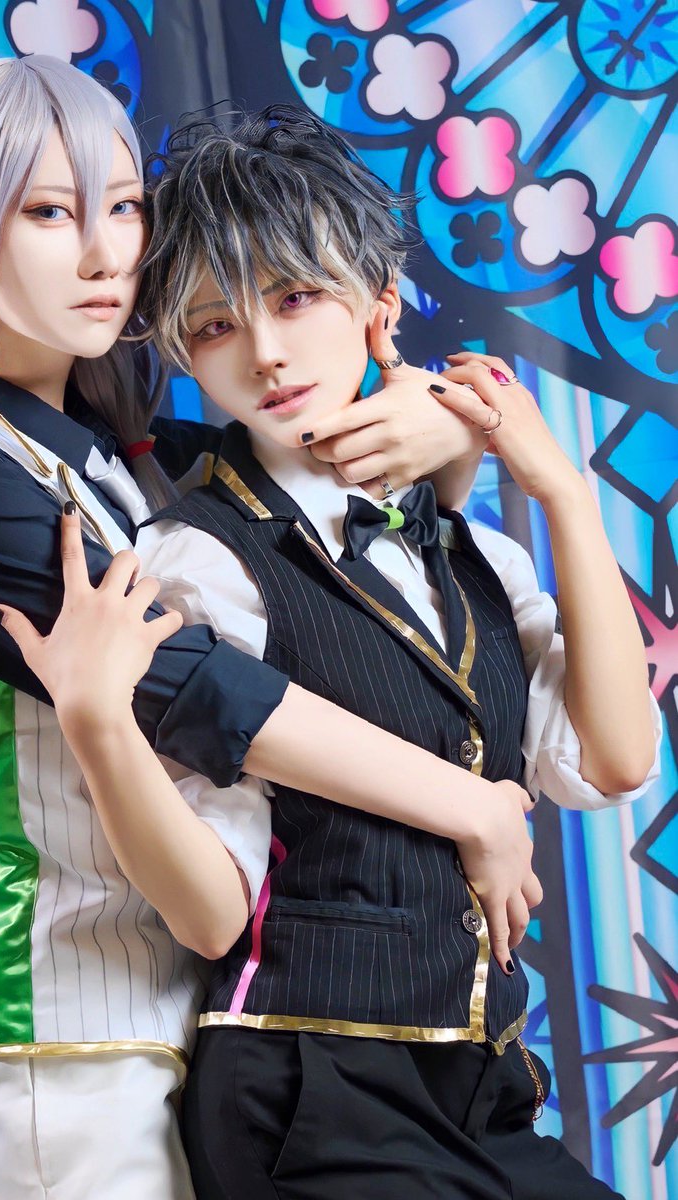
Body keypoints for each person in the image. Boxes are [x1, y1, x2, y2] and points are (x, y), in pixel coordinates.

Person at [0, 58, 543, 1199]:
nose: (103, 253)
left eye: (124, 207)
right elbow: (206, 694)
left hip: (188, 1018)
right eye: (49, 213)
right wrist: (471, 804)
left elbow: (306, 461)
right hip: (59, 1044)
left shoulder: (105, 452)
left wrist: (446, 422)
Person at [46, 107, 652, 1197]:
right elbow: (212, 911)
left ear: (379, 304)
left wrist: (560, 489)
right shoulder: (200, 559)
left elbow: (615, 759)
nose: (265, 354)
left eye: (294, 297)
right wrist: (98, 726)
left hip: (481, 1087)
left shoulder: (470, 551)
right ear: (181, 352)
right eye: (216, 324)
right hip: (307, 1091)